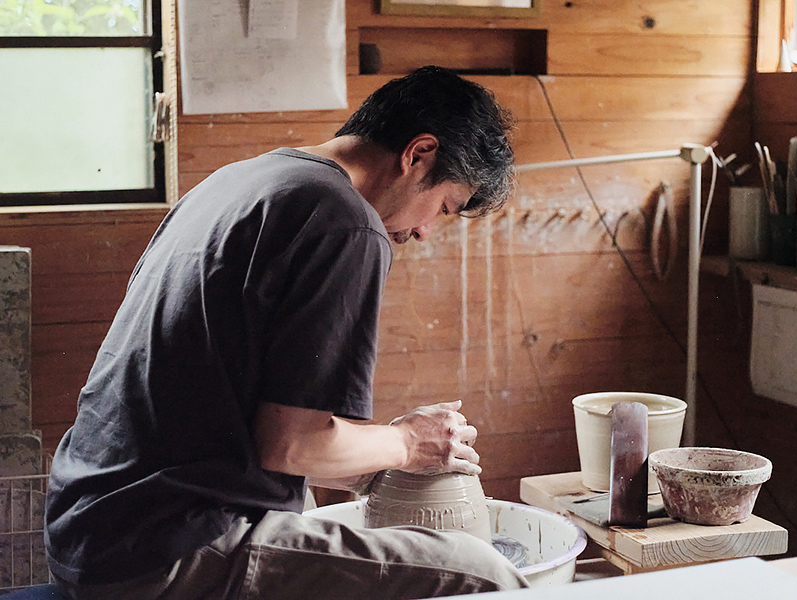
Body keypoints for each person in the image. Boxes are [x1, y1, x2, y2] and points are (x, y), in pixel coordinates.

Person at [45, 66, 528, 600]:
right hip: (159, 552)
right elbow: (291, 446)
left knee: (323, 507)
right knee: (483, 573)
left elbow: (243, 420)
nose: (423, 229)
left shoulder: (238, 179)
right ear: (419, 153)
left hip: (86, 528)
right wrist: (409, 443)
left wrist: (384, 454)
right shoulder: (347, 222)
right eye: (444, 207)